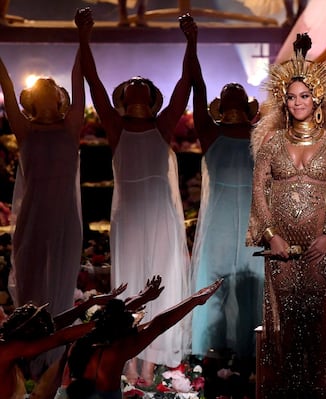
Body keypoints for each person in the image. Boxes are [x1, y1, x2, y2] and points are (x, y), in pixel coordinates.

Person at [75, 8, 195, 384]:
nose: (138, 84)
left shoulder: (162, 125)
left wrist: (191, 42)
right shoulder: (114, 126)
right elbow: (92, 81)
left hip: (160, 215)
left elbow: (185, 84)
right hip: (128, 216)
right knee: (133, 281)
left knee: (160, 277)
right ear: (125, 97)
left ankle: (152, 357)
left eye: (144, 83)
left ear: (153, 97)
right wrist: (84, 36)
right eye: (133, 83)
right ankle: (131, 355)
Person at [246, 48, 326, 398]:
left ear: (318, 96)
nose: (298, 103)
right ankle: (288, 389)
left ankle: (320, 389)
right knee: (287, 318)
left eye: (304, 95)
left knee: (317, 317)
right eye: (291, 97)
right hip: (280, 249)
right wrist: (271, 236)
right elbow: (259, 191)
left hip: (321, 246)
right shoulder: (272, 142)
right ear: (283, 101)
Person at [187, 43, 264, 360]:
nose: (231, 93)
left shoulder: (261, 137)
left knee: (250, 287)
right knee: (217, 285)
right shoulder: (210, 133)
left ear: (246, 105)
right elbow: (198, 88)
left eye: (237, 92)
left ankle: (249, 352)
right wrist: (192, 44)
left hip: (251, 223)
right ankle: (214, 351)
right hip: (218, 224)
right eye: (227, 92)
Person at [0, 46, 84, 328]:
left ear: (61, 97)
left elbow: (79, 76)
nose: (48, 84)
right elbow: (6, 84)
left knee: (60, 280)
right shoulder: (24, 130)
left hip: (64, 216)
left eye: (52, 84)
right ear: (32, 99)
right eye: (42, 85)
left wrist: (82, 38)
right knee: (31, 279)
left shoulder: (71, 126)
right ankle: (29, 350)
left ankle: (55, 351)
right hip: (32, 217)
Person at [64, 279, 222, 399]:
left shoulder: (80, 344)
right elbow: (160, 325)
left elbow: (112, 318)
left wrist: (142, 298)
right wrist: (196, 300)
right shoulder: (116, 353)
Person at [0, 303, 94, 399]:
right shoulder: (7, 351)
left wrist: (90, 303)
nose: (38, 353)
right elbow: (62, 337)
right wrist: (103, 322)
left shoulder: (9, 347)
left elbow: (59, 325)